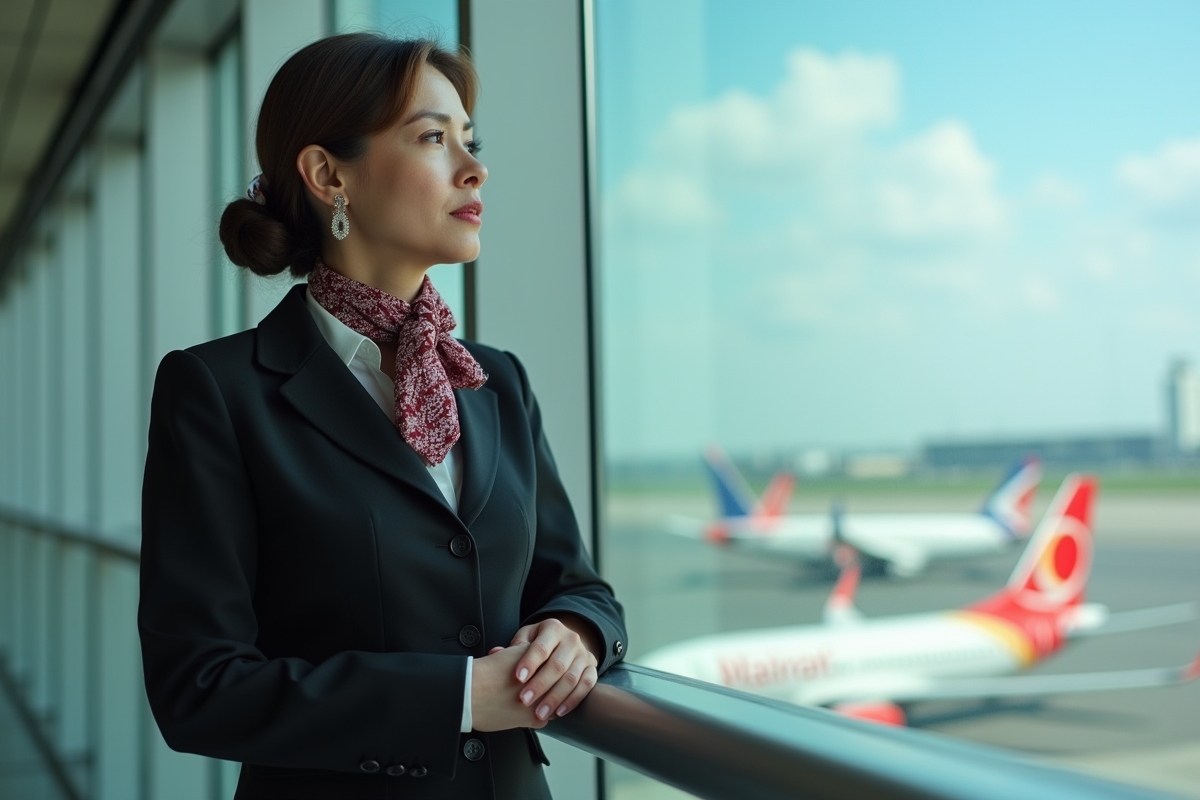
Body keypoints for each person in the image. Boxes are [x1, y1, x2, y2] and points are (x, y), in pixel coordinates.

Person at [138, 33, 626, 800]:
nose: (475, 167)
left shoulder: (497, 381)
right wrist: (461, 697)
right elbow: (198, 687)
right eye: (434, 137)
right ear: (330, 174)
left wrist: (575, 633)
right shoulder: (217, 389)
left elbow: (579, 586)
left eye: (470, 140)